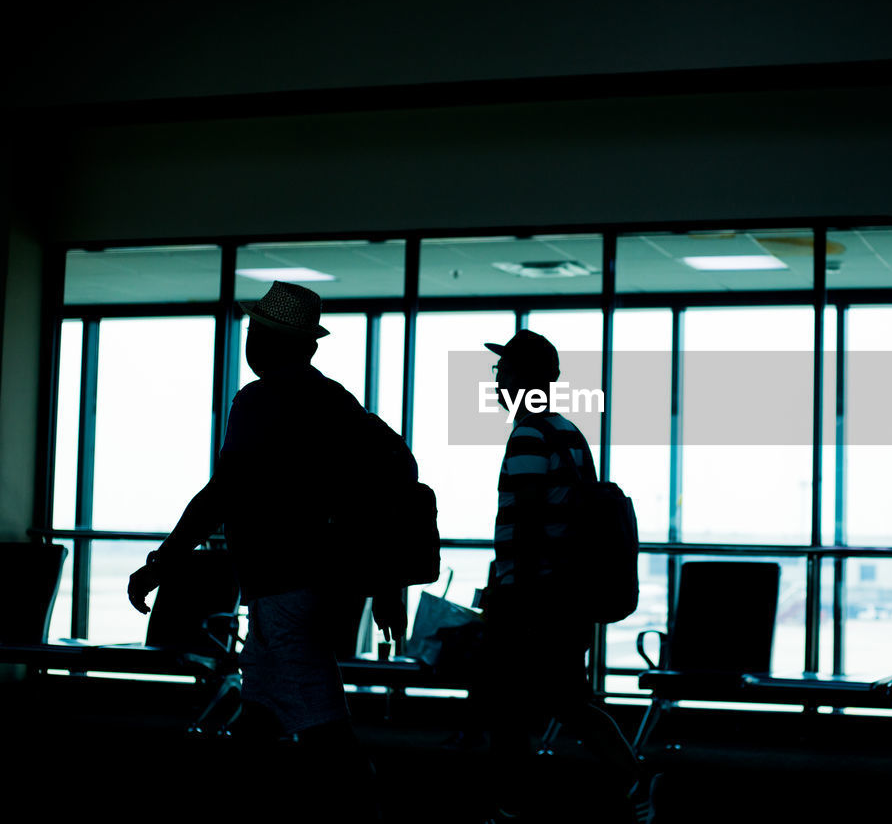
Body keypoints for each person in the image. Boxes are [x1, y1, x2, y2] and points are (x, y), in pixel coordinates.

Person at [126, 280, 408, 819]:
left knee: (326, 728)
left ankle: (371, 816)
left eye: (255, 331)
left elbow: (221, 492)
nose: (249, 341)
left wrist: (162, 563)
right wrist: (388, 584)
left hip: (284, 590)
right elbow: (385, 486)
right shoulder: (336, 402)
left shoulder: (259, 402)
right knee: (261, 710)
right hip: (306, 588)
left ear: (275, 340)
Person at [478, 329, 648, 822]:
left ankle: (514, 805)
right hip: (565, 592)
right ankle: (632, 782)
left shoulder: (529, 436)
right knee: (569, 701)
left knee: (510, 709)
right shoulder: (570, 434)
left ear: (525, 378)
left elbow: (529, 524)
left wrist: (518, 598)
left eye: (503, 370)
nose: (497, 380)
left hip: (533, 597)